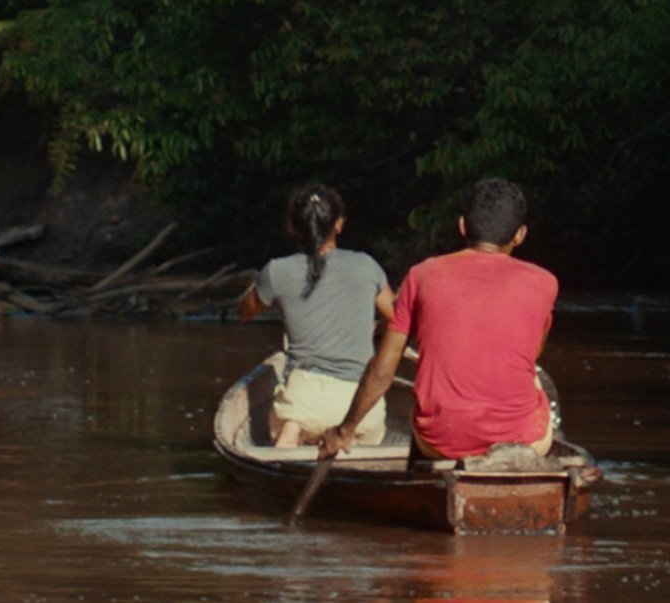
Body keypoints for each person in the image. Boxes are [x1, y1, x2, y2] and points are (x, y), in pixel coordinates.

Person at [319, 177, 558, 461]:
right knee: (538, 382)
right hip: (523, 440)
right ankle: (542, 470)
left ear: (461, 226)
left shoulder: (421, 275)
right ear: (520, 235)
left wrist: (345, 430)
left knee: (422, 406)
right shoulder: (545, 283)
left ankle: (418, 478)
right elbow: (531, 355)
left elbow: (382, 372)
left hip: (442, 441)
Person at [237, 184, 394, 447]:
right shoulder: (366, 266)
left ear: (292, 228)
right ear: (339, 224)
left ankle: (288, 440)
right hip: (362, 410)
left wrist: (256, 284)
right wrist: (376, 328)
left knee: (291, 419)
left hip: (303, 405)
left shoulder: (277, 271)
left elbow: (243, 313)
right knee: (365, 433)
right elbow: (399, 318)